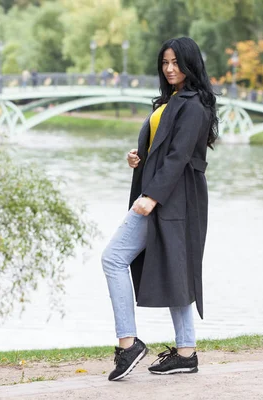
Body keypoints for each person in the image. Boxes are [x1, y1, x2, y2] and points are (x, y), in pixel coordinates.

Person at [101, 36, 219, 381]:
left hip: (173, 198)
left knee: (113, 258)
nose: (169, 69)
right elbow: (163, 150)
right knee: (175, 267)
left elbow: (180, 156)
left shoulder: (194, 105)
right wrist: (139, 159)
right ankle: (186, 353)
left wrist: (151, 196)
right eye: (165, 63)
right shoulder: (171, 102)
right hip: (167, 193)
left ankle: (128, 345)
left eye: (176, 63)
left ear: (190, 64)